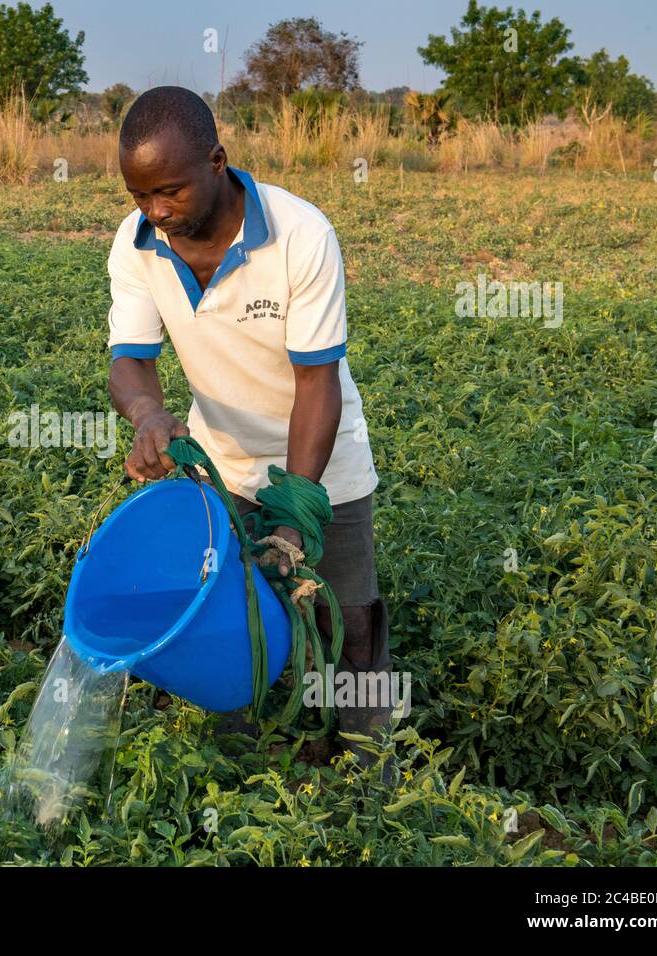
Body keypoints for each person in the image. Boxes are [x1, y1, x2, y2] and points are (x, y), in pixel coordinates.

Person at [105, 86, 394, 764]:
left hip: (326, 465)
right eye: (139, 195)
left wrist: (296, 509)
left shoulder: (300, 234)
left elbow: (317, 380)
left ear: (217, 161)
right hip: (225, 463)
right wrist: (149, 414)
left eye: (170, 190)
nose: (156, 210)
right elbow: (130, 361)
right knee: (232, 621)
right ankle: (243, 769)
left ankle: (368, 782)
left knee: (348, 626)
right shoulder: (139, 242)